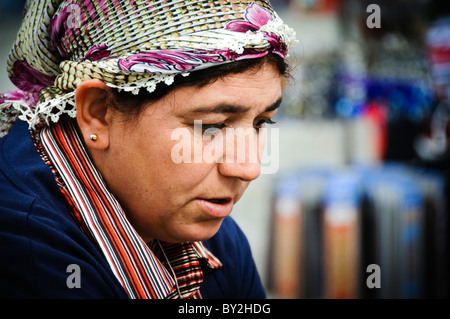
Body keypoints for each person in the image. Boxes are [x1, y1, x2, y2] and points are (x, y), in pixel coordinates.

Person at [0, 0, 296, 298]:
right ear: (98, 114)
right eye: (211, 126)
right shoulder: (25, 252)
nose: (249, 168)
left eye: (261, 123)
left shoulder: (213, 239)